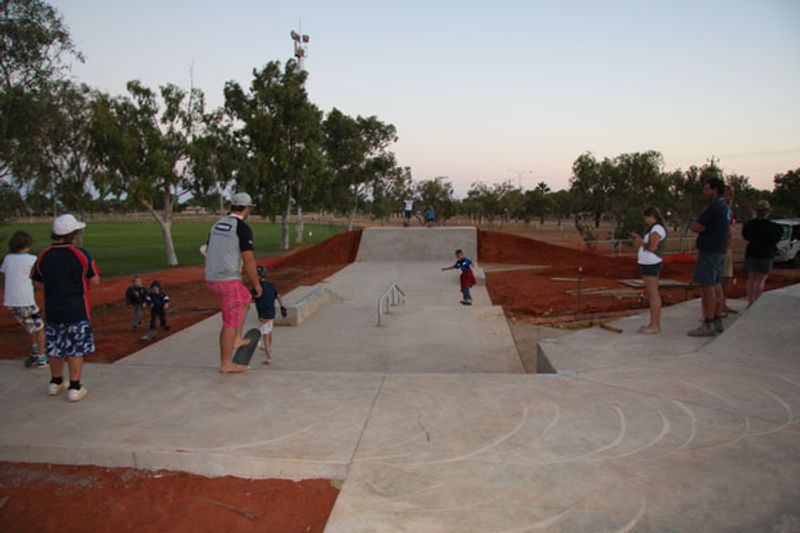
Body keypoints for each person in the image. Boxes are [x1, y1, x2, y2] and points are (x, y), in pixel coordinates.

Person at [31, 214, 100, 402]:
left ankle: (55, 382)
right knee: (75, 348)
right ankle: (75, 386)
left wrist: (54, 288)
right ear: (73, 234)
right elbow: (94, 280)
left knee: (55, 347)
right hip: (76, 309)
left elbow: (37, 281)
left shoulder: (44, 255)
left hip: (53, 310)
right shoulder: (81, 254)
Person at [204, 192, 261, 373]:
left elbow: (208, 249)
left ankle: (236, 338)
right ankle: (226, 363)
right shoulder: (242, 228)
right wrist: (257, 283)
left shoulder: (217, 225)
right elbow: (249, 259)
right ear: (247, 208)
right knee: (229, 321)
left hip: (213, 277)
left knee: (244, 298)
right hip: (227, 280)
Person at [688, 176, 729, 337]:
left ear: (715, 190)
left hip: (710, 250)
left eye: (707, 189)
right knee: (716, 284)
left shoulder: (714, 207)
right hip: (719, 250)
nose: (705, 192)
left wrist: (697, 224)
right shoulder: (723, 206)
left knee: (707, 286)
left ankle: (708, 323)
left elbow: (696, 226)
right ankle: (717, 318)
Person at [1, 231, 47, 367]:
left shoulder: (8, 258)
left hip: (11, 300)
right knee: (39, 327)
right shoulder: (32, 259)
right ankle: (42, 357)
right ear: (27, 244)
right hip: (25, 300)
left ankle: (34, 349)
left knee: (30, 325)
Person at [631, 207, 667, 334]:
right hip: (648, 263)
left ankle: (654, 325)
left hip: (651, 264)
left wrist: (641, 242)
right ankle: (653, 323)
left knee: (653, 294)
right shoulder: (654, 229)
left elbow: (652, 247)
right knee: (652, 293)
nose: (645, 220)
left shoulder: (657, 229)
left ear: (652, 216)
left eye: (646, 217)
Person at [742, 200, 783, 308]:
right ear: (768, 212)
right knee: (760, 280)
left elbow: (745, 236)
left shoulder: (749, 225)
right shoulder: (774, 227)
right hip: (766, 253)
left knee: (751, 279)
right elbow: (776, 239)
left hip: (752, 252)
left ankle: (750, 302)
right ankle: (757, 303)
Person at [252, 265, 287, 364]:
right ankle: (269, 349)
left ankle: (269, 356)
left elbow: (249, 298)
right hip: (272, 313)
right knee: (269, 330)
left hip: (263, 314)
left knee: (265, 334)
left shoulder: (256, 287)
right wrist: (282, 308)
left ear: (258, 276)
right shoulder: (271, 285)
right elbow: (278, 296)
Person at [720, 187, 737, 316]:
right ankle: (719, 305)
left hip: (727, 248)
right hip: (722, 249)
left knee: (726, 278)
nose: (729, 197)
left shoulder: (729, 211)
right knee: (721, 278)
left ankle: (722, 304)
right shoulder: (724, 211)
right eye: (727, 194)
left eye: (730, 195)